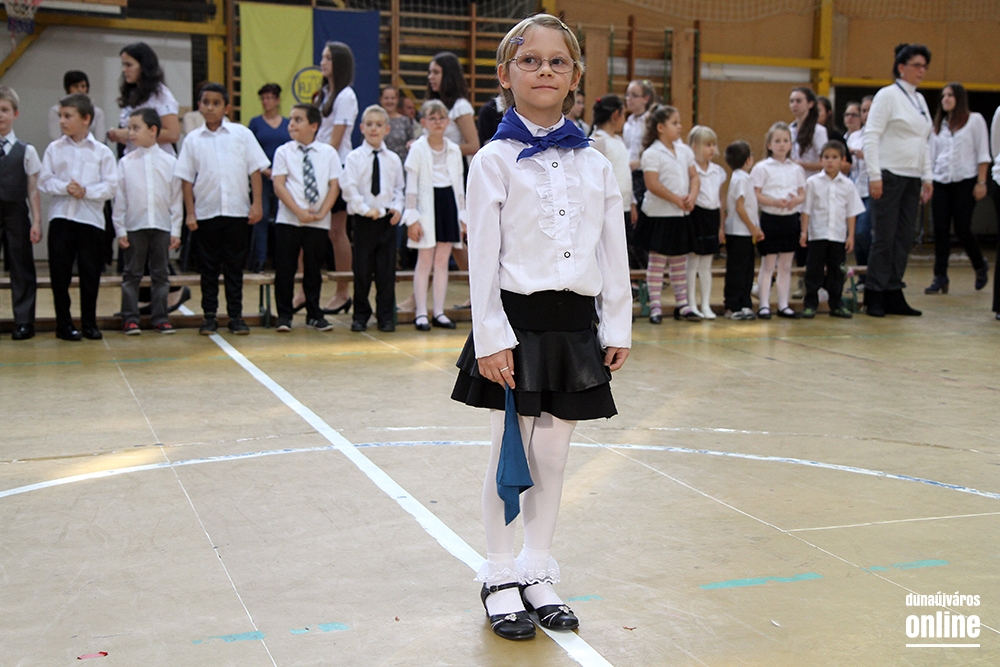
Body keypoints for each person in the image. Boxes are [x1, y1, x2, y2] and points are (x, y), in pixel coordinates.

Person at [450, 14, 630, 641]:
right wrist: (491, 335)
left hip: (575, 326)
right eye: (530, 61)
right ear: (506, 75)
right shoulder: (493, 160)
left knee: (553, 456)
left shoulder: (596, 163)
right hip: (516, 325)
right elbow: (482, 258)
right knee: (511, 457)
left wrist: (617, 324)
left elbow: (612, 247)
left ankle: (536, 568)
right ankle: (499, 574)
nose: (544, 70)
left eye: (558, 61)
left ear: (576, 76)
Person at [175, 83, 269, 335]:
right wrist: (190, 212)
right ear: (199, 106)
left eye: (216, 103)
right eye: (206, 102)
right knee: (208, 268)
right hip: (206, 213)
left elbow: (255, 170)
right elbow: (186, 179)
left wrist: (257, 203)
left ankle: (236, 316)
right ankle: (209, 316)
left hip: (237, 212)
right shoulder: (193, 140)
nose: (210, 107)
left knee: (234, 268)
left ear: (226, 107)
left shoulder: (242, 134)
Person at [862, 43, 933, 317]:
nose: (921, 71)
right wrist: (875, 175)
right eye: (916, 65)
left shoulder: (920, 100)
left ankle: (893, 290)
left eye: (924, 66)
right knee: (885, 237)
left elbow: (924, 141)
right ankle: (874, 293)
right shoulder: (887, 95)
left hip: (912, 177)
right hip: (889, 176)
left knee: (903, 238)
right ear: (901, 67)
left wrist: (927, 177)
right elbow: (871, 136)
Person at [39, 93, 118, 341]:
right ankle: (63, 324)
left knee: (90, 273)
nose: (62, 121)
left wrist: (86, 192)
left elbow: (111, 186)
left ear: (86, 119)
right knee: (60, 274)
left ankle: (89, 323)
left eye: (67, 116)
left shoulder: (102, 152)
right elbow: (44, 180)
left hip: (90, 220)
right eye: (60, 116)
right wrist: (66, 187)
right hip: (61, 218)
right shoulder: (54, 149)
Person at [271, 103, 342, 333]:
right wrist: (298, 212)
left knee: (313, 268)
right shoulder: (283, 152)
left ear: (314, 126)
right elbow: (279, 185)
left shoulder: (328, 153)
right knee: (285, 267)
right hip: (289, 219)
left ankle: (314, 313)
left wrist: (322, 212)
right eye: (291, 119)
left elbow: (334, 186)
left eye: (298, 119)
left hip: (318, 220)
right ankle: (284, 315)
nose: (291, 124)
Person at [113, 109, 182, 335]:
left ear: (153, 130)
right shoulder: (125, 163)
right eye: (129, 128)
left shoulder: (170, 162)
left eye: (136, 128)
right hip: (135, 226)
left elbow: (176, 199)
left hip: (161, 226)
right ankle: (130, 318)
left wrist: (176, 230)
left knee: (160, 274)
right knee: (131, 274)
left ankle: (160, 317)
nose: (130, 133)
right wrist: (120, 229)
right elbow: (120, 199)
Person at [402, 99, 465, 331]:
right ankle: (420, 312)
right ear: (424, 122)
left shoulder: (454, 150)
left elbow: (459, 186)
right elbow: (411, 187)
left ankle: (438, 312)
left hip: (448, 204)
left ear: (447, 121)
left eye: (441, 118)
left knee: (442, 261)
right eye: (432, 118)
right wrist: (412, 218)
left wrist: (463, 217)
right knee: (425, 260)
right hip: (426, 207)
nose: (438, 122)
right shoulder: (418, 149)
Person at [342, 105, 405, 333]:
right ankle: (360, 315)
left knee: (386, 272)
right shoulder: (354, 158)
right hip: (364, 221)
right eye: (369, 124)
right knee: (362, 271)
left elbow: (399, 189)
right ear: (361, 128)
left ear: (386, 129)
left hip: (386, 222)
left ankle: (385, 316)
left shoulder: (393, 159)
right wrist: (365, 209)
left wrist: (397, 208)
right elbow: (349, 188)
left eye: (378, 125)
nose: (373, 129)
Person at [636, 104, 701, 323]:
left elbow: (694, 176)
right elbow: (652, 184)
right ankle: (655, 306)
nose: (679, 126)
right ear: (661, 127)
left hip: (679, 215)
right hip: (659, 215)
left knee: (679, 261)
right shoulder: (652, 153)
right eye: (675, 123)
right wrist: (676, 199)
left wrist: (692, 196)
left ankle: (682, 305)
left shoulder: (684, 151)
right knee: (657, 262)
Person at [925, 82, 990, 294]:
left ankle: (979, 265)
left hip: (966, 181)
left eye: (950, 95)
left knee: (962, 228)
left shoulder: (975, 121)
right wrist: (927, 182)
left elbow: (983, 153)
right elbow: (931, 157)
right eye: (943, 95)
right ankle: (940, 276)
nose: (945, 99)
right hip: (941, 181)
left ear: (959, 98)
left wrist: (981, 182)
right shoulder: (938, 126)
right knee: (940, 229)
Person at [799, 141, 865, 319]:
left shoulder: (848, 185)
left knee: (837, 271)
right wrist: (804, 232)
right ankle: (810, 304)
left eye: (834, 157)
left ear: (842, 160)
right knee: (813, 270)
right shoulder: (812, 182)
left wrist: (850, 236)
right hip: (817, 234)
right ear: (820, 160)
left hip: (837, 235)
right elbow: (806, 210)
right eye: (826, 157)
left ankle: (836, 304)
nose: (830, 161)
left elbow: (851, 213)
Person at [315, 41, 358, 314]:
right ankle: (303, 292)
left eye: (328, 58)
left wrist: (320, 164)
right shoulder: (323, 94)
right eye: (323, 57)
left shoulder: (346, 96)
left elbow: (335, 140)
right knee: (313, 232)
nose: (323, 62)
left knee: (337, 231)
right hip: (319, 165)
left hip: (335, 166)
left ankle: (343, 292)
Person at [0, 86, 43, 340]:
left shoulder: (27, 151)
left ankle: (24, 321)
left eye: (4, 110)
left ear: (15, 114)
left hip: (16, 213)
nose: (0, 115)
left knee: (21, 267)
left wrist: (36, 221)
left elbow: (33, 190)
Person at [751, 121, 805, 319]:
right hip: (770, 219)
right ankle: (764, 304)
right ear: (769, 145)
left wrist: (795, 201)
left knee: (786, 265)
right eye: (777, 141)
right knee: (768, 264)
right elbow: (755, 193)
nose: (782, 145)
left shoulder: (796, 169)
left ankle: (783, 305)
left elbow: (802, 193)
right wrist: (774, 201)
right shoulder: (762, 167)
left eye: (785, 141)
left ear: (790, 144)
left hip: (790, 219)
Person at [589, 94, 637, 267]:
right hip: (606, 208)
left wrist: (632, 202)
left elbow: (624, 174)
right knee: (606, 256)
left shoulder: (618, 140)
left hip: (623, 206)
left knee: (621, 255)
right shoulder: (598, 141)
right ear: (616, 114)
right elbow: (593, 178)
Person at [108, 43, 181, 155]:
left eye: (129, 65)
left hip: (157, 159)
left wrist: (129, 134)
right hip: (133, 157)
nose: (124, 70)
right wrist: (118, 135)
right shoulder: (132, 92)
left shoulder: (161, 95)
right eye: (123, 65)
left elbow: (172, 134)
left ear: (144, 67)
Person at [247, 83, 290, 273]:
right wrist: (265, 170)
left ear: (277, 100)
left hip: (284, 177)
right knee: (261, 216)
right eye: (263, 98)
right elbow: (250, 150)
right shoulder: (255, 123)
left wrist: (280, 172)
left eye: (270, 98)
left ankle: (281, 259)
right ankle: (260, 259)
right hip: (262, 176)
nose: (266, 102)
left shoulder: (287, 124)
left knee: (283, 217)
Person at [687, 125, 725, 319]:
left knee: (706, 265)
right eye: (707, 145)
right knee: (692, 263)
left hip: (712, 217)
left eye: (713, 145)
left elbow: (720, 199)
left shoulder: (718, 171)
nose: (712, 149)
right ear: (695, 146)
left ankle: (706, 304)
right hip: (696, 216)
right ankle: (691, 304)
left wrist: (721, 226)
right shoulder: (690, 169)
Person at [723, 140, 763, 320]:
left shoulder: (743, 177)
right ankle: (732, 305)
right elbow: (740, 207)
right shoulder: (741, 178)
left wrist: (755, 228)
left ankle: (745, 303)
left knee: (747, 271)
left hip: (745, 233)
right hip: (738, 232)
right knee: (737, 271)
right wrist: (753, 228)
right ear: (748, 159)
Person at [426, 51, 481, 160]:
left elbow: (473, 146)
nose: (430, 77)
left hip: (453, 165)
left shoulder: (460, 106)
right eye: (430, 72)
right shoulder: (433, 104)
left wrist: (440, 149)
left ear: (449, 75)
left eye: (436, 72)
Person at [844, 100, 871, 284]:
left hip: (871, 190)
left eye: (870, 110)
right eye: (864, 110)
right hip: (854, 190)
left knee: (862, 232)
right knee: (855, 236)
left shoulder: (883, 135)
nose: (866, 114)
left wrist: (866, 156)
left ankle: (870, 274)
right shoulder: (853, 137)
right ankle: (862, 278)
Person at [623, 79, 655, 226]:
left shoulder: (650, 121)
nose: (629, 99)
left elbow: (655, 149)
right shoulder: (628, 122)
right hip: (629, 172)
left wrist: (640, 162)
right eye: (627, 95)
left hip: (644, 173)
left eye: (634, 95)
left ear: (645, 99)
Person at [48, 71, 106, 144]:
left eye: (83, 86)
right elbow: (55, 137)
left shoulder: (97, 112)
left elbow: (100, 139)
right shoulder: (56, 110)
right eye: (75, 86)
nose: (80, 90)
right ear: (68, 88)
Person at [380, 86, 419, 163]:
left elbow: (411, 143)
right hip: (381, 162)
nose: (389, 101)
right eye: (386, 98)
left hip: (401, 162)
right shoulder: (376, 120)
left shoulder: (405, 121)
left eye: (392, 98)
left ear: (397, 100)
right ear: (380, 99)